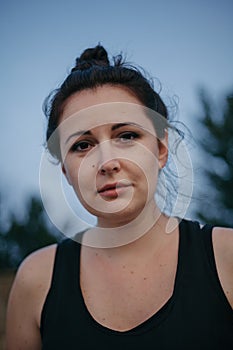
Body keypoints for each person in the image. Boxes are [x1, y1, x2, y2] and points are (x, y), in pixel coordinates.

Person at [5, 45, 233, 349]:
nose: (106, 162)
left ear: (161, 148)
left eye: (127, 135)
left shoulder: (227, 257)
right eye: (82, 145)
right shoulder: (37, 279)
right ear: (65, 170)